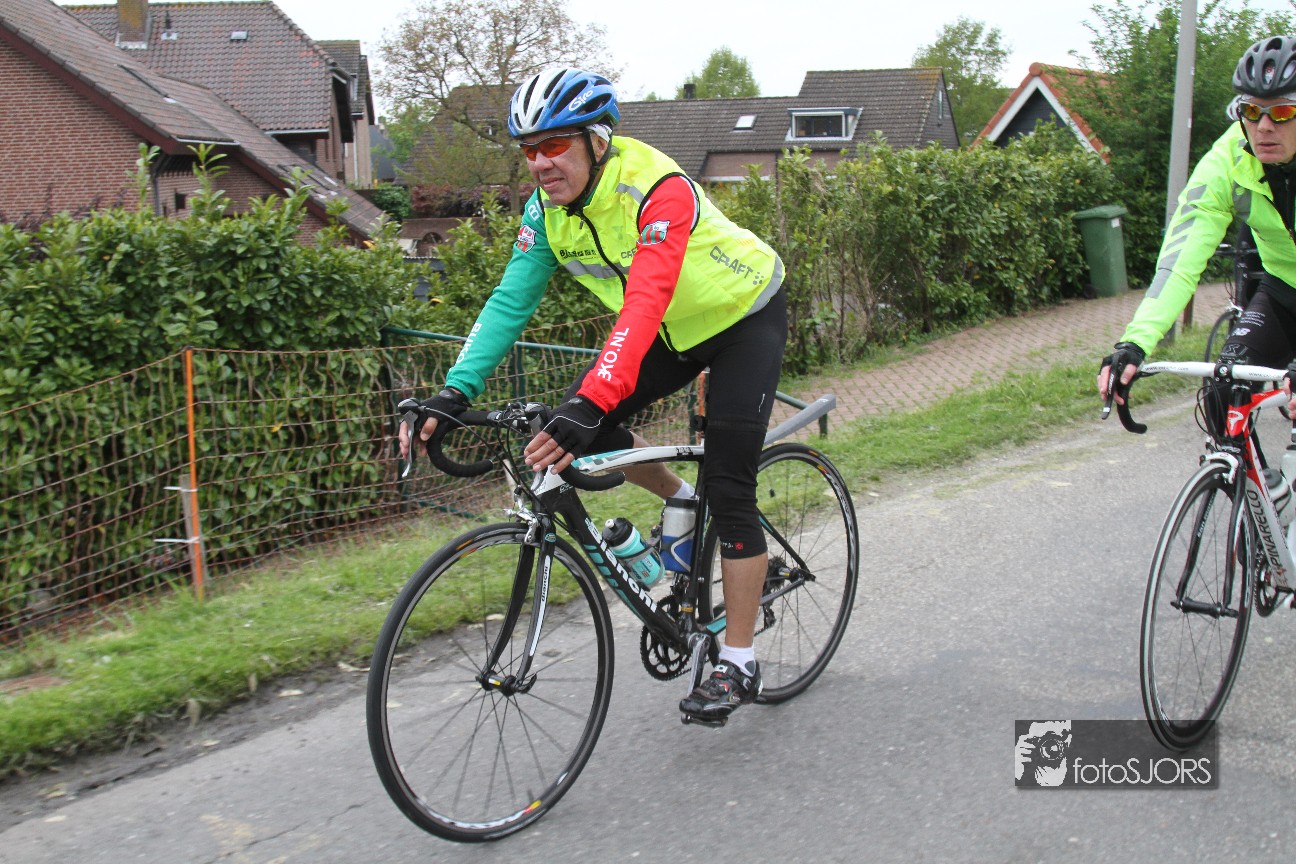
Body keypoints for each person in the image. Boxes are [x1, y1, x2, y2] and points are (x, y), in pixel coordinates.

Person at [398, 68, 788, 726]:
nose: (541, 163)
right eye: (529, 149)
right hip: (668, 331)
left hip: (741, 317)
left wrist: (592, 398)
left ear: (597, 140)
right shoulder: (544, 213)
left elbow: (644, 299)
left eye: (555, 145)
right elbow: (509, 302)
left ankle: (739, 661)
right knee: (578, 433)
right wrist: (454, 391)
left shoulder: (656, 188)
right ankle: (679, 500)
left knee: (729, 485)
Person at [1098, 35, 1296, 419]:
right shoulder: (1227, 161)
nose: (1264, 127)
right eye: (1251, 111)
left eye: (1283, 112)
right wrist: (1135, 343)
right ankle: (1234, 458)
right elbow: (1181, 261)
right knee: (1222, 393)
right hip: (1283, 289)